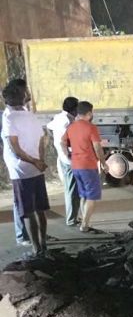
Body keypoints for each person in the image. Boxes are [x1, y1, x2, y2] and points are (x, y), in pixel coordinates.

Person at [2, 82, 49, 257]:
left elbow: (14, 147)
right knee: (41, 210)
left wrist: (33, 161)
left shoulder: (9, 118)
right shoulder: (31, 116)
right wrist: (40, 161)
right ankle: (44, 245)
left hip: (21, 171)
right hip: (37, 170)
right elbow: (42, 141)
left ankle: (36, 249)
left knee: (28, 212)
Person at [62, 101, 106, 233]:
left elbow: (62, 142)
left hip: (75, 165)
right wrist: (103, 162)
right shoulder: (91, 127)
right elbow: (97, 147)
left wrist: (67, 155)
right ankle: (85, 225)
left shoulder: (71, 127)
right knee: (92, 196)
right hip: (88, 165)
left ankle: (83, 220)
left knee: (83, 195)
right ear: (89, 113)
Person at [2, 78, 32, 246]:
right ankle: (22, 235)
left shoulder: (22, 110)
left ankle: (33, 232)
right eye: (25, 91)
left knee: (30, 199)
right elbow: (14, 145)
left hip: (28, 161)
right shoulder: (9, 116)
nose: (28, 93)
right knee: (20, 199)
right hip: (19, 163)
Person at [47, 96, 80, 226]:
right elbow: (63, 141)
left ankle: (74, 217)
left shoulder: (58, 117)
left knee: (72, 188)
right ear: (73, 109)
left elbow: (49, 127)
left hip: (63, 157)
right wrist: (68, 155)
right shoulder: (66, 121)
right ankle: (72, 219)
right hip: (68, 159)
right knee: (72, 190)